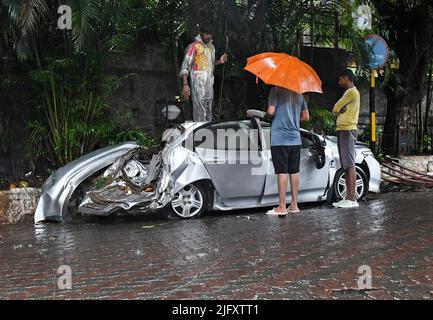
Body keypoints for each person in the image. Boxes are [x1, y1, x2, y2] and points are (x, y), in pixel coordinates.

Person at [247, 86, 310, 216]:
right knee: (294, 171)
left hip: (280, 138)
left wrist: (263, 115)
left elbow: (271, 112)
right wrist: (293, 120)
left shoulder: (275, 90)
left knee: (282, 171)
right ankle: (294, 205)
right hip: (295, 139)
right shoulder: (299, 93)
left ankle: (281, 206)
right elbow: (306, 117)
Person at [180, 23, 228, 122]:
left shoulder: (211, 48)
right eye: (206, 33)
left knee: (209, 110)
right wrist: (185, 84)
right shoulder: (194, 46)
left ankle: (207, 133)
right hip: (198, 84)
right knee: (199, 111)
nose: (209, 36)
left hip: (209, 85)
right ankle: (199, 134)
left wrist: (220, 61)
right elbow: (185, 66)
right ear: (200, 33)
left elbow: (210, 65)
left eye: (210, 34)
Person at [332, 69, 360, 208]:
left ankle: (351, 198)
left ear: (347, 78)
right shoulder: (352, 93)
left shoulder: (350, 92)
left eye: (341, 79)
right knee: (347, 164)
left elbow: (335, 108)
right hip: (345, 130)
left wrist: (339, 110)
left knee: (349, 164)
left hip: (347, 129)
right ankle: (349, 197)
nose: (339, 82)